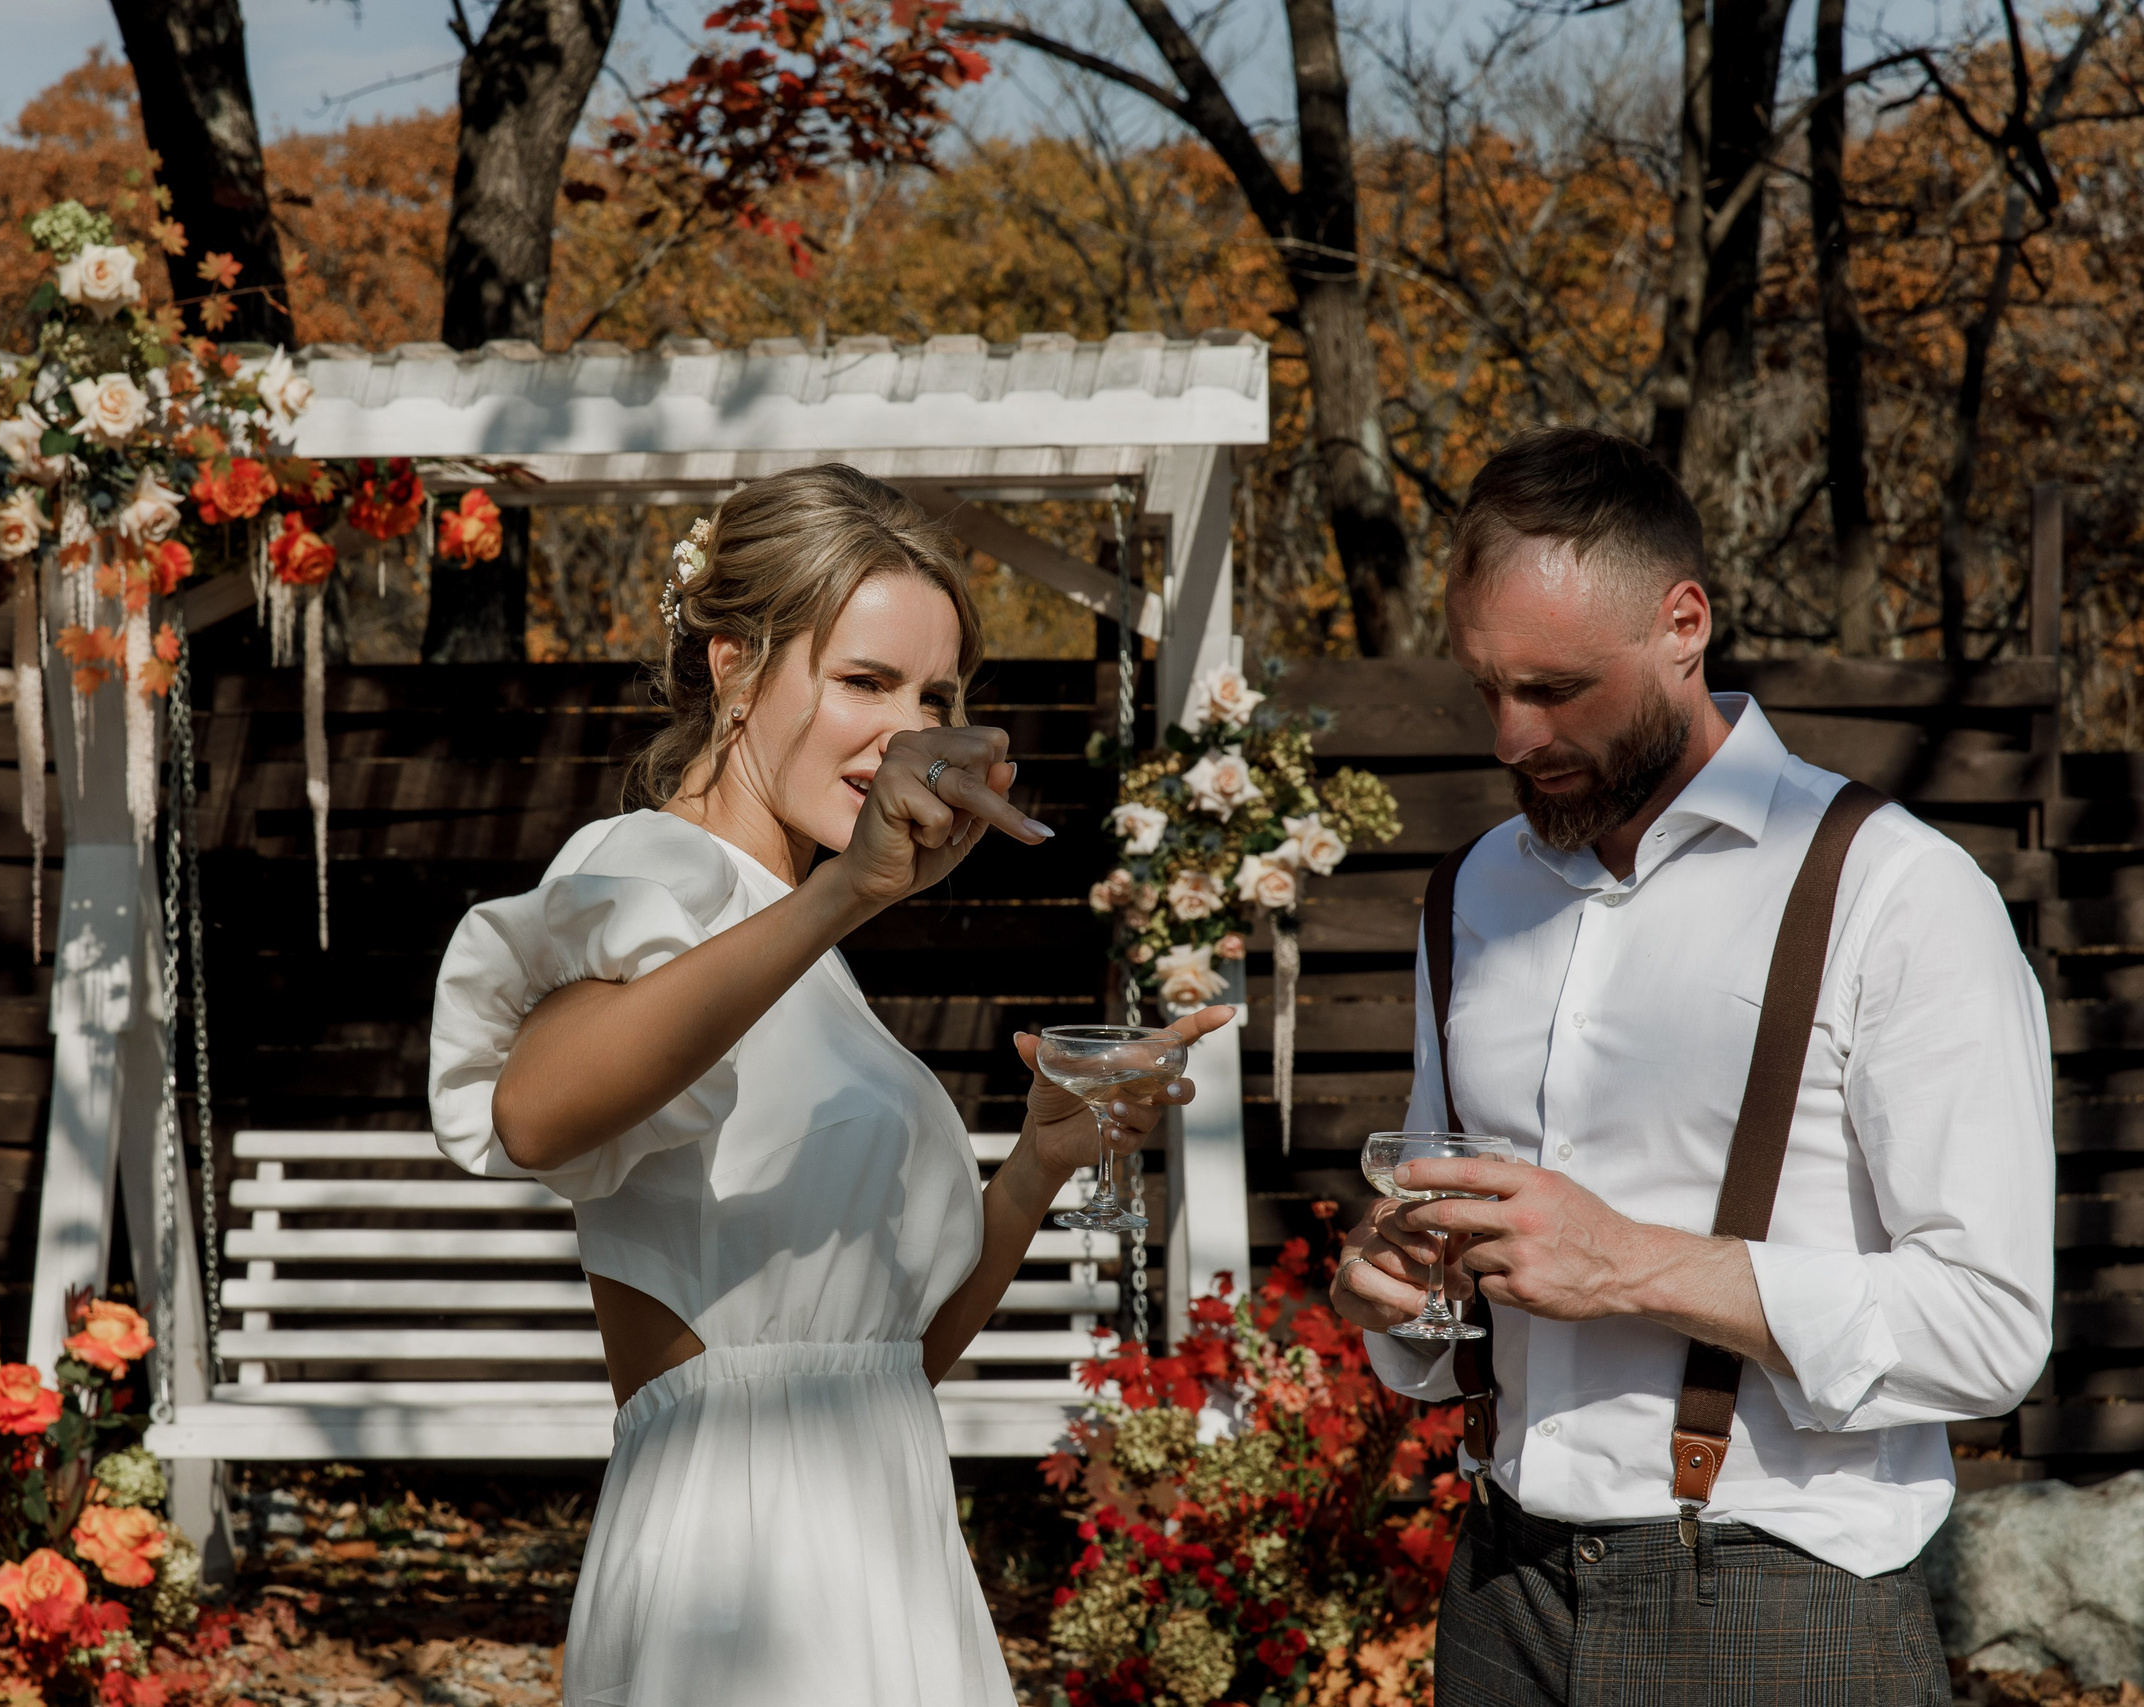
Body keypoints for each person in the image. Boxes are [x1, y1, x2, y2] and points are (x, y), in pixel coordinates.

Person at [426, 463, 1232, 1707]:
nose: (907, 733)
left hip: (885, 1531)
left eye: (935, 696)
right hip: (741, 1568)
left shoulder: (800, 940)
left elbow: (882, 1362)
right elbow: (531, 1113)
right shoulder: (652, 871)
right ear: (731, 663)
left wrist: (1034, 1164)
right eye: (863, 681)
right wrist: (848, 890)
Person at [1329, 427, 2054, 1704]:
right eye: (1486, 685)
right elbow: (1454, 1291)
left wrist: (1631, 1266)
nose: (1511, 735)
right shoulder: (1472, 896)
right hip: (1499, 1589)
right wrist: (1402, 1297)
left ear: (1683, 623)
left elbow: (1991, 1328)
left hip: (1780, 1605)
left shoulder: (1894, 891)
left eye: (1555, 687)